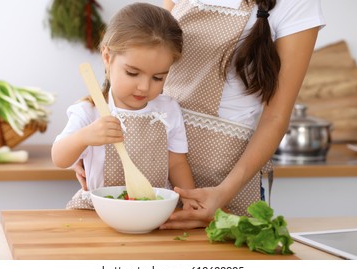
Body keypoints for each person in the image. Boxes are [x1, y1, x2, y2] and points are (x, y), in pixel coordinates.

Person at [75, 0, 325, 228]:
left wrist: (222, 194)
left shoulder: (297, 4)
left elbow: (276, 117)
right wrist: (87, 141)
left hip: (223, 181)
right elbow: (151, 59)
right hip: (153, 171)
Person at [52, 2, 196, 210]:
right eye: (132, 73)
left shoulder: (168, 109)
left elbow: (176, 163)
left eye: (158, 77)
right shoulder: (89, 111)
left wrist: (190, 199)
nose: (144, 87)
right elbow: (59, 158)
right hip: (98, 211)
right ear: (107, 57)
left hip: (154, 209)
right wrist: (84, 137)